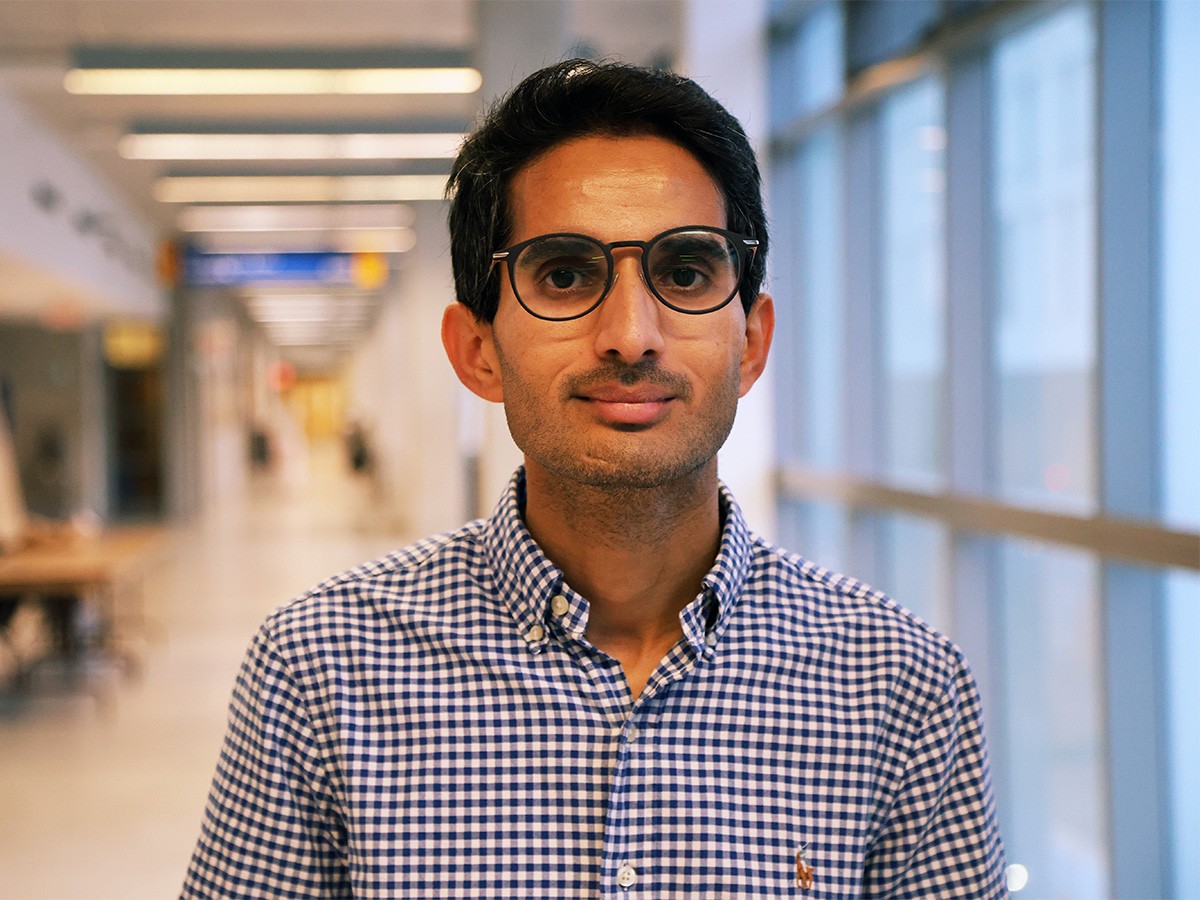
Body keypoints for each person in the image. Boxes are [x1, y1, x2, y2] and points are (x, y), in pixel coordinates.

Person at [182, 59, 1006, 898]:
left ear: (751, 343)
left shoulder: (899, 686)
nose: (629, 335)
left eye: (684, 272)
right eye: (566, 275)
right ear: (477, 350)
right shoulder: (321, 671)